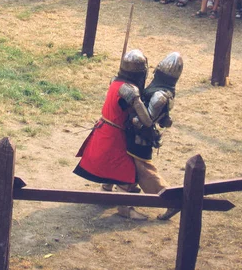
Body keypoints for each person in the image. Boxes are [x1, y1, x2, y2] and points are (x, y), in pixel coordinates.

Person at [74, 50, 182, 221]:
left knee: (114, 165)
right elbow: (146, 120)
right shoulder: (131, 90)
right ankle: (126, 205)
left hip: (108, 129)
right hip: (116, 133)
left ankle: (108, 193)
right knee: (128, 168)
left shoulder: (115, 81)